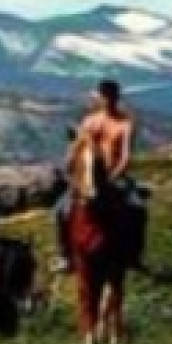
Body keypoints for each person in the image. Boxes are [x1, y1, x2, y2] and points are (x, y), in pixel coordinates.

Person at [53, 78, 148, 273]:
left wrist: (114, 176)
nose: (106, 102)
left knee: (138, 209)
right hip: (88, 175)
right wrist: (72, 167)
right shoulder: (90, 121)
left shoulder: (125, 124)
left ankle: (134, 255)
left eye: (109, 98)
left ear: (116, 98)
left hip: (115, 175)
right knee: (61, 209)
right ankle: (65, 254)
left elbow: (125, 156)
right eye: (103, 98)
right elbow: (78, 148)